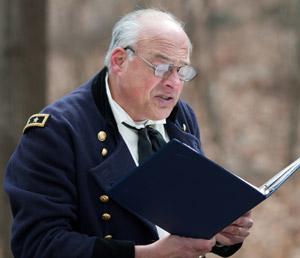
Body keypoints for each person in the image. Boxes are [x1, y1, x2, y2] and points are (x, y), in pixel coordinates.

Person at [4, 8, 253, 258]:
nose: (173, 83)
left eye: (181, 70)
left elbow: (186, 214)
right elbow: (37, 245)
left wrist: (220, 232)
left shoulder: (181, 116)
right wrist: (145, 255)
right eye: (162, 67)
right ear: (119, 61)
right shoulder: (57, 130)